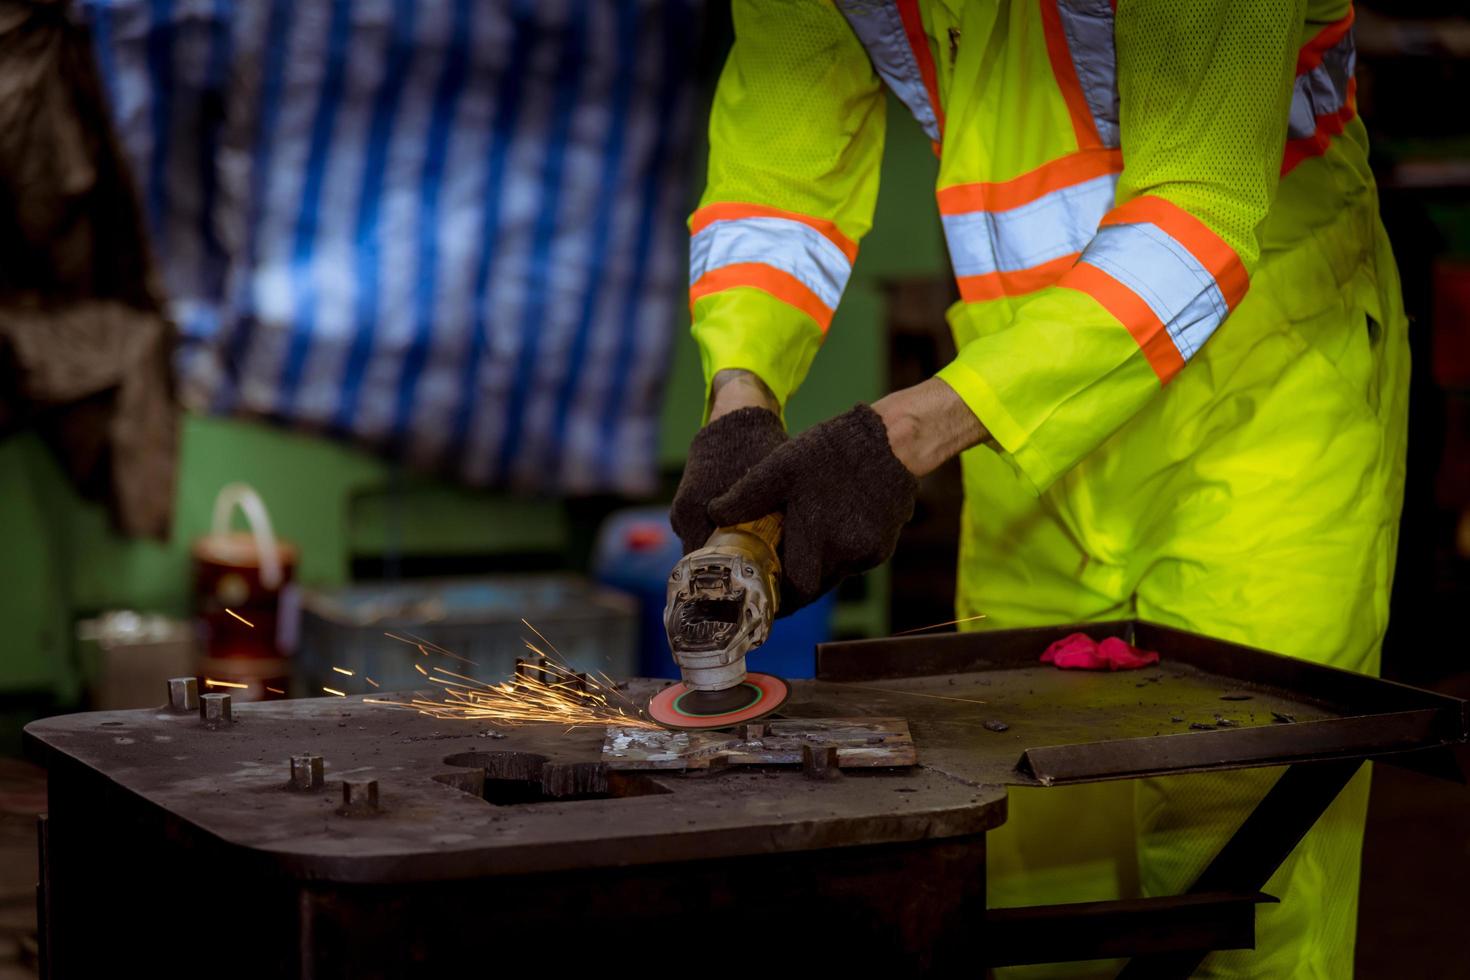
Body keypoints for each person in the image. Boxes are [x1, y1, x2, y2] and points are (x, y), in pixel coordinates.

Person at [670, 1, 1406, 976]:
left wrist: (901, 435)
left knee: (1241, 858)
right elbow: (780, 166)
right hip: (1026, 420)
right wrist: (741, 390)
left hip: (1261, 406)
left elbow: (1198, 209)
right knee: (1032, 847)